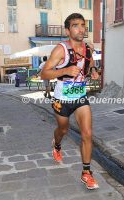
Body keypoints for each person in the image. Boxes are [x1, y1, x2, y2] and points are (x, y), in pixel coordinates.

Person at [41, 13, 100, 190]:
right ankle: (56, 145)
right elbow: (45, 73)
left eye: (83, 25)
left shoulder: (89, 48)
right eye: (76, 25)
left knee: (87, 133)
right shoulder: (61, 49)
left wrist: (93, 71)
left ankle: (86, 173)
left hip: (80, 96)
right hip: (62, 99)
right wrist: (64, 70)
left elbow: (88, 66)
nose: (81, 28)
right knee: (63, 129)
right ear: (68, 30)